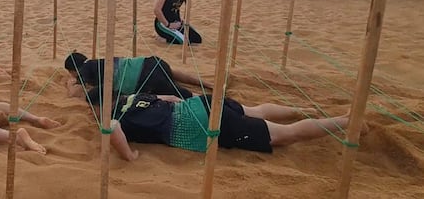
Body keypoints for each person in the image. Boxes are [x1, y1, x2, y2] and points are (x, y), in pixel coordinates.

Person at [92, 92, 359, 160]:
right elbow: (173, 97)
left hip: (202, 123)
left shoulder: (115, 117)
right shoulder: (134, 97)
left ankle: (349, 121)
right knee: (255, 110)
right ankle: (304, 110)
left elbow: (113, 127)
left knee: (284, 136)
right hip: (202, 105)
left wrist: (129, 155)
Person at [63, 52, 212, 100]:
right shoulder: (98, 62)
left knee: (182, 93)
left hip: (144, 79)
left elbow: (74, 94)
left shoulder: (84, 70)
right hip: (151, 62)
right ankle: (207, 84)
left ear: (73, 70)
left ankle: (205, 97)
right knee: (171, 73)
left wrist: (70, 83)